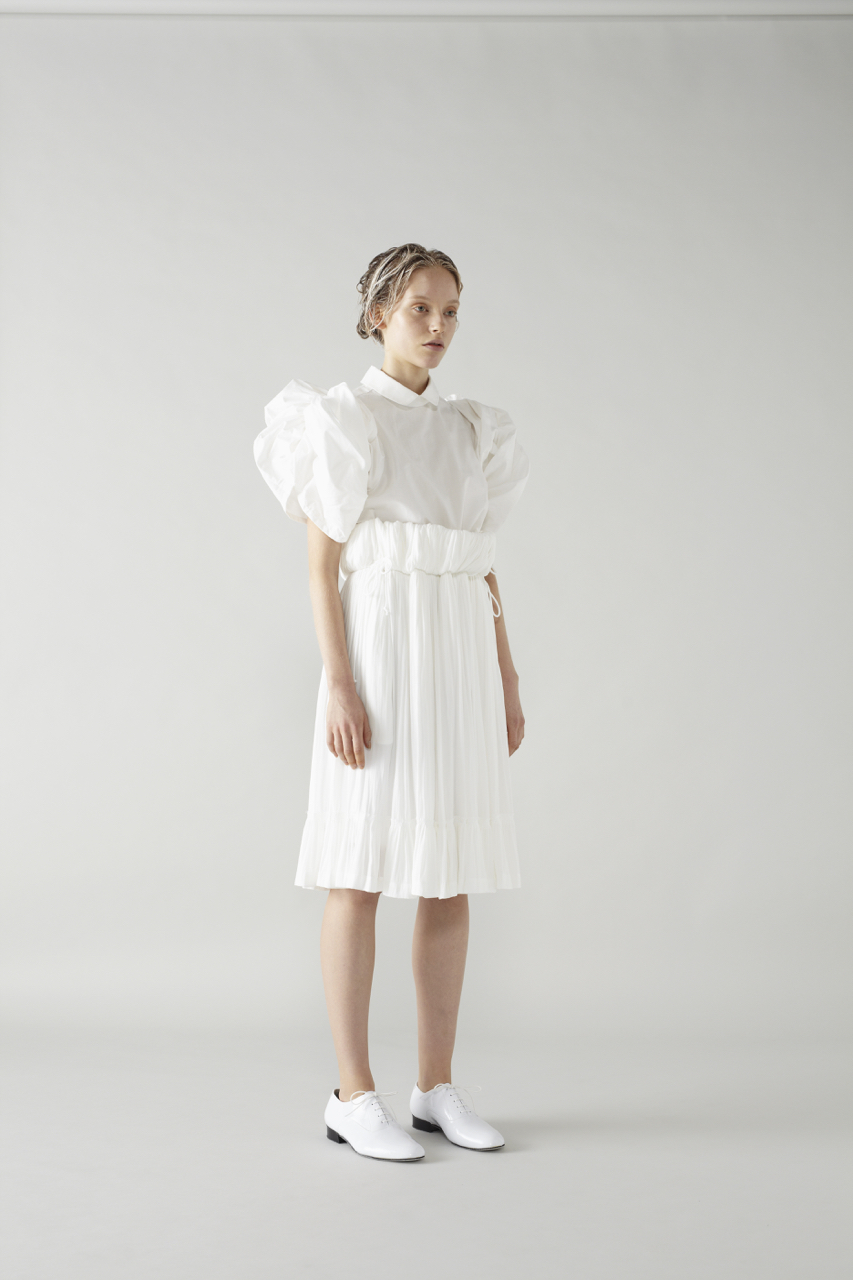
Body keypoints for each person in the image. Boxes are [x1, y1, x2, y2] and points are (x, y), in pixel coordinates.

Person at [254, 243, 530, 1162]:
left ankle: (434, 1087)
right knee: (360, 867)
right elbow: (320, 568)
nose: (438, 325)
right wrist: (337, 680)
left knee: (447, 870)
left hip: (455, 652)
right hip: (379, 651)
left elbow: (479, 563)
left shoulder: (469, 430)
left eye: (450, 310)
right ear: (378, 314)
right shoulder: (343, 420)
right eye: (419, 308)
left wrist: (506, 675)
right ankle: (352, 1093)